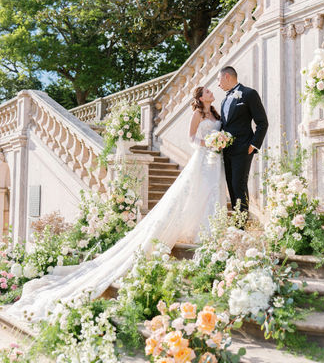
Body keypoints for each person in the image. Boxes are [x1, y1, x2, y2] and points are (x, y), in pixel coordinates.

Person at [7, 86, 226, 322]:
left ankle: (208, 229)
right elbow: (192, 138)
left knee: (210, 194)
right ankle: (199, 232)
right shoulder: (198, 114)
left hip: (216, 160)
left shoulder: (216, 114)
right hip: (203, 158)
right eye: (206, 92)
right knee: (196, 193)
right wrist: (209, 143)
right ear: (200, 97)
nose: (211, 93)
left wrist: (220, 142)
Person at [218, 66, 268, 216]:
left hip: (243, 148)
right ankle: (236, 220)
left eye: (219, 79)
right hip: (226, 150)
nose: (218, 84)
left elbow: (262, 122)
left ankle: (242, 224)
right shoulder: (224, 100)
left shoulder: (249, 94)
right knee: (230, 185)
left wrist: (253, 145)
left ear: (227, 76)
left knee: (238, 184)